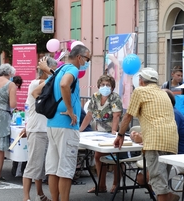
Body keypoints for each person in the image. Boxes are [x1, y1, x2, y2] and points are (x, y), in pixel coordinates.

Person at [32, 44, 91, 201]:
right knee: (66, 169)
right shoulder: (72, 70)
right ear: (79, 57)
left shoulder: (59, 70)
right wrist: (70, 110)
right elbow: (65, 84)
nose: (88, 62)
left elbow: (35, 92)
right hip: (66, 125)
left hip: (52, 123)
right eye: (88, 59)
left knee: (53, 168)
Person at [114, 67, 180, 201]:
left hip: (155, 141)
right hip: (172, 140)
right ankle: (171, 197)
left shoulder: (139, 91)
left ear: (141, 81)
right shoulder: (163, 93)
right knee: (162, 182)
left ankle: (170, 197)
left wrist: (120, 135)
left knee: (158, 183)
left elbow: (128, 116)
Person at [80, 74, 123, 194]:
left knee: (116, 158)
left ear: (112, 87)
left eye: (108, 85)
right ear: (99, 86)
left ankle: (116, 184)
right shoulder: (95, 96)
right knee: (98, 157)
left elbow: (116, 116)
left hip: (113, 132)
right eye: (103, 84)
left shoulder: (115, 98)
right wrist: (80, 130)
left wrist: (114, 133)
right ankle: (101, 185)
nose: (105, 87)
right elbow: (89, 115)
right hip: (100, 133)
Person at [21, 58, 57, 201]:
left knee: (40, 166)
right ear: (45, 70)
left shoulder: (46, 84)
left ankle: (40, 194)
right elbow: (55, 79)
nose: (54, 71)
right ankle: (26, 197)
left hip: (44, 129)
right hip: (37, 130)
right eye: (53, 68)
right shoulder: (37, 84)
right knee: (33, 165)